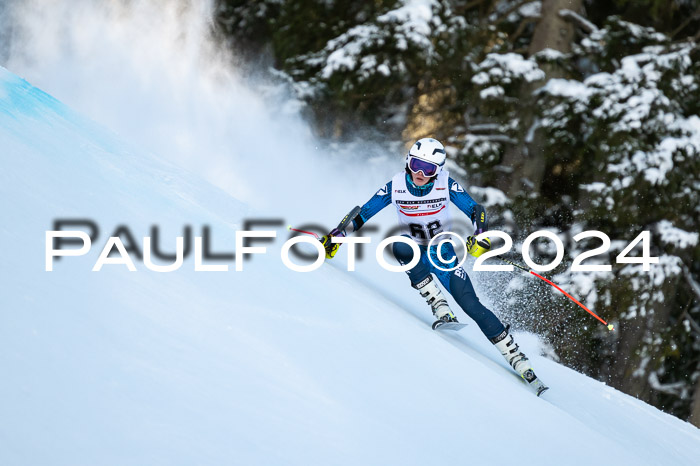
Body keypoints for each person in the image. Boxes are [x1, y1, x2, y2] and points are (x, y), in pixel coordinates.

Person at [320, 137, 546, 391]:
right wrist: (338, 235)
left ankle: (515, 356)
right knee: (400, 245)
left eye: (428, 169)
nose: (419, 173)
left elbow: (475, 209)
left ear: (437, 171)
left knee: (472, 305)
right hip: (414, 246)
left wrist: (479, 234)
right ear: (408, 161)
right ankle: (438, 304)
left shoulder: (445, 185)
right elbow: (363, 213)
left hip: (442, 252)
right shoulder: (395, 186)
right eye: (416, 164)